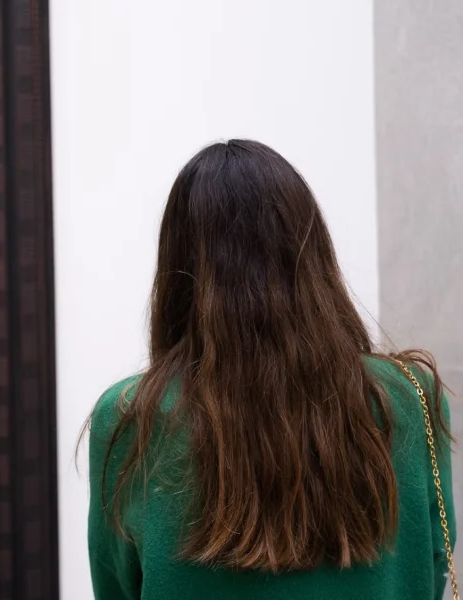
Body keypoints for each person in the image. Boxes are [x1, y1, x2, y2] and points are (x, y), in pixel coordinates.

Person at [86, 139, 457, 600]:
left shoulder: (131, 416)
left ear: (179, 266)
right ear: (312, 252)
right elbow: (435, 558)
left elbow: (118, 587)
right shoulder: (407, 395)